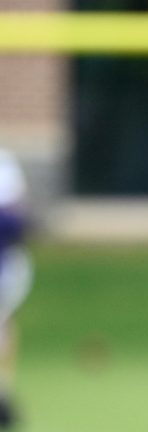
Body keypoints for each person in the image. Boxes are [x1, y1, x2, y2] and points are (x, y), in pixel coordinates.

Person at [0, 149, 32, 429]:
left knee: (3, 327)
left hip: (4, 267)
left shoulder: (4, 164)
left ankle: (3, 393)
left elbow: (18, 223)